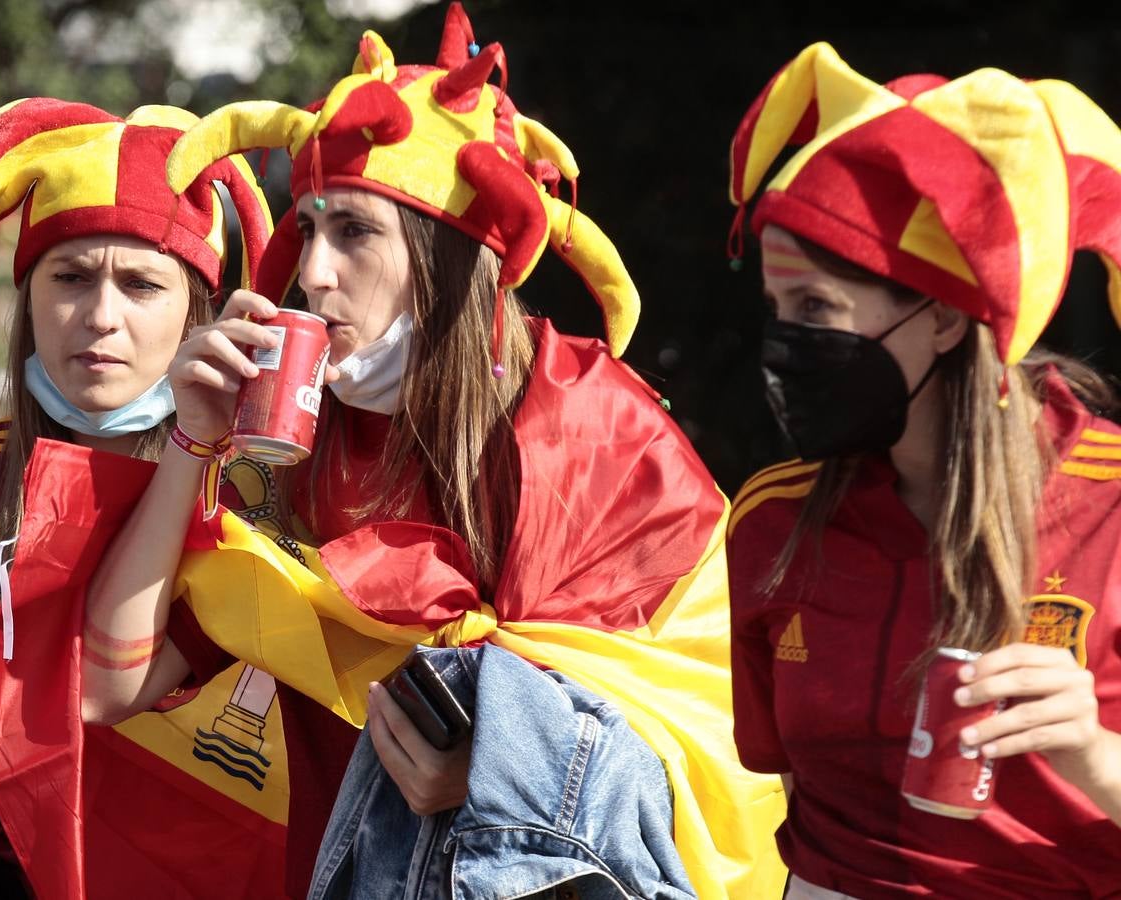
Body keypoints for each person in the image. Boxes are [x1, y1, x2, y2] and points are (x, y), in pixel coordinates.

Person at [82, 4, 786, 897]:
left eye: (356, 233)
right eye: (309, 228)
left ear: (449, 258)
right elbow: (108, 686)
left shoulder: (593, 428)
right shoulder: (286, 434)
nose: (314, 272)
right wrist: (189, 440)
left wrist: (502, 772)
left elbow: (698, 724)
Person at [726, 43, 1121, 896]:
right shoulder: (771, 522)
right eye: (776, 311)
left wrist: (1092, 752)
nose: (785, 345)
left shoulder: (1113, 509)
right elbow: (785, 786)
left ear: (944, 318)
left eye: (817, 310)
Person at [0, 98, 275, 897]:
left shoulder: (266, 479)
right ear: (28, 296)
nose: (100, 318)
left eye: (140, 284)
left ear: (199, 307)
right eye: (71, 277)